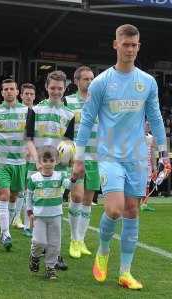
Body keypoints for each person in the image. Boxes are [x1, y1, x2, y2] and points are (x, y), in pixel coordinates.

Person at [72, 24, 170, 290]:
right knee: (114, 208)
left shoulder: (147, 82)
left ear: (139, 46)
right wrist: (79, 158)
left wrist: (164, 153)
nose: (130, 49)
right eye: (125, 44)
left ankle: (125, 272)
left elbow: (156, 118)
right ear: (115, 45)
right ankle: (103, 252)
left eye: (134, 45)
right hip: (109, 156)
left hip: (137, 158)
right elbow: (87, 120)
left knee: (131, 211)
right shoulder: (101, 82)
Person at [0, 79, 38, 251]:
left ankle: (4, 230)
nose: (9, 92)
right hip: (1, 162)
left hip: (20, 162)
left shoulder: (28, 112)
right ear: (2, 92)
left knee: (14, 197)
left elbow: (29, 139)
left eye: (12, 89)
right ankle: (6, 233)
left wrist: (36, 158)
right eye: (5, 89)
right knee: (4, 196)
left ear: (17, 92)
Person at [26, 71, 75, 270]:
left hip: (59, 170)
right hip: (37, 167)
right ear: (46, 87)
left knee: (54, 210)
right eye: (52, 88)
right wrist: (37, 160)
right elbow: (28, 139)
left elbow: (69, 143)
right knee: (39, 209)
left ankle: (53, 252)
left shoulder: (69, 114)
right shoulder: (35, 110)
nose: (56, 91)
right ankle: (42, 250)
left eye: (60, 88)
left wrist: (70, 161)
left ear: (65, 89)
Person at [65, 66, 99, 258]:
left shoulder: (100, 102)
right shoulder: (68, 102)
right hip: (77, 157)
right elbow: (64, 129)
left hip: (96, 156)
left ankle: (81, 239)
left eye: (92, 78)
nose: (89, 82)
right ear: (76, 81)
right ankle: (73, 239)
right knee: (76, 197)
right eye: (85, 79)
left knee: (87, 200)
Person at [27, 146, 75, 280]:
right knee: (39, 241)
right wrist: (30, 212)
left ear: (56, 161)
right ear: (40, 162)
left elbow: (68, 185)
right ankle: (35, 256)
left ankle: (50, 267)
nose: (48, 163)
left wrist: (74, 178)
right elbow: (29, 196)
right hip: (39, 216)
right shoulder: (34, 178)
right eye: (45, 160)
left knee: (54, 243)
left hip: (55, 215)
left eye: (51, 160)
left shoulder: (60, 176)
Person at [12, 83, 37, 236]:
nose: (28, 96)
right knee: (19, 190)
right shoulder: (17, 112)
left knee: (30, 189)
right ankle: (16, 218)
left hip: (33, 156)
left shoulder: (36, 112)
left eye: (31, 94)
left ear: (34, 96)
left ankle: (27, 223)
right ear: (21, 95)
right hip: (18, 155)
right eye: (26, 93)